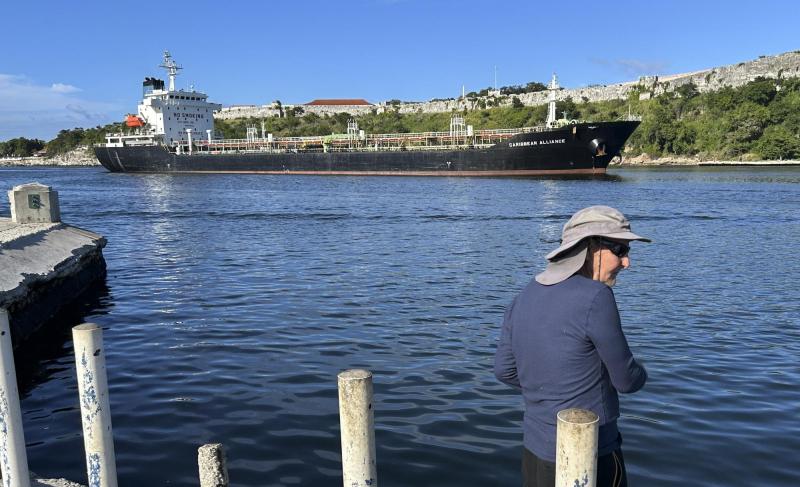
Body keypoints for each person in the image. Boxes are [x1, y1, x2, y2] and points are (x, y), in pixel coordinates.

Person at [494, 206, 650, 487]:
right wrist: (643, 372)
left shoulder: (523, 295)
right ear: (591, 247)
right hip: (592, 454)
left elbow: (504, 371)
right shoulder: (597, 296)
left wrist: (549, 392)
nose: (626, 262)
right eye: (620, 250)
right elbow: (626, 381)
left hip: (535, 452)